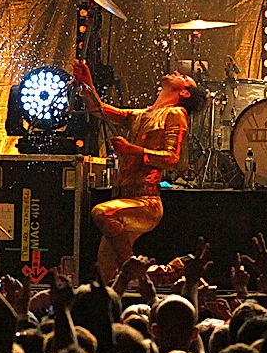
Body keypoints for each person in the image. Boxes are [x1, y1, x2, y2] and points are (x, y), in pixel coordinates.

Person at [71, 59, 206, 282]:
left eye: (183, 78)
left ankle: (133, 269)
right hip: (126, 197)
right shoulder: (141, 115)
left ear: (185, 94)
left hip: (146, 202)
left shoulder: (176, 114)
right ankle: (162, 274)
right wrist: (87, 83)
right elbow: (99, 109)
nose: (175, 72)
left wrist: (133, 150)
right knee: (106, 276)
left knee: (101, 213)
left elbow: (173, 159)